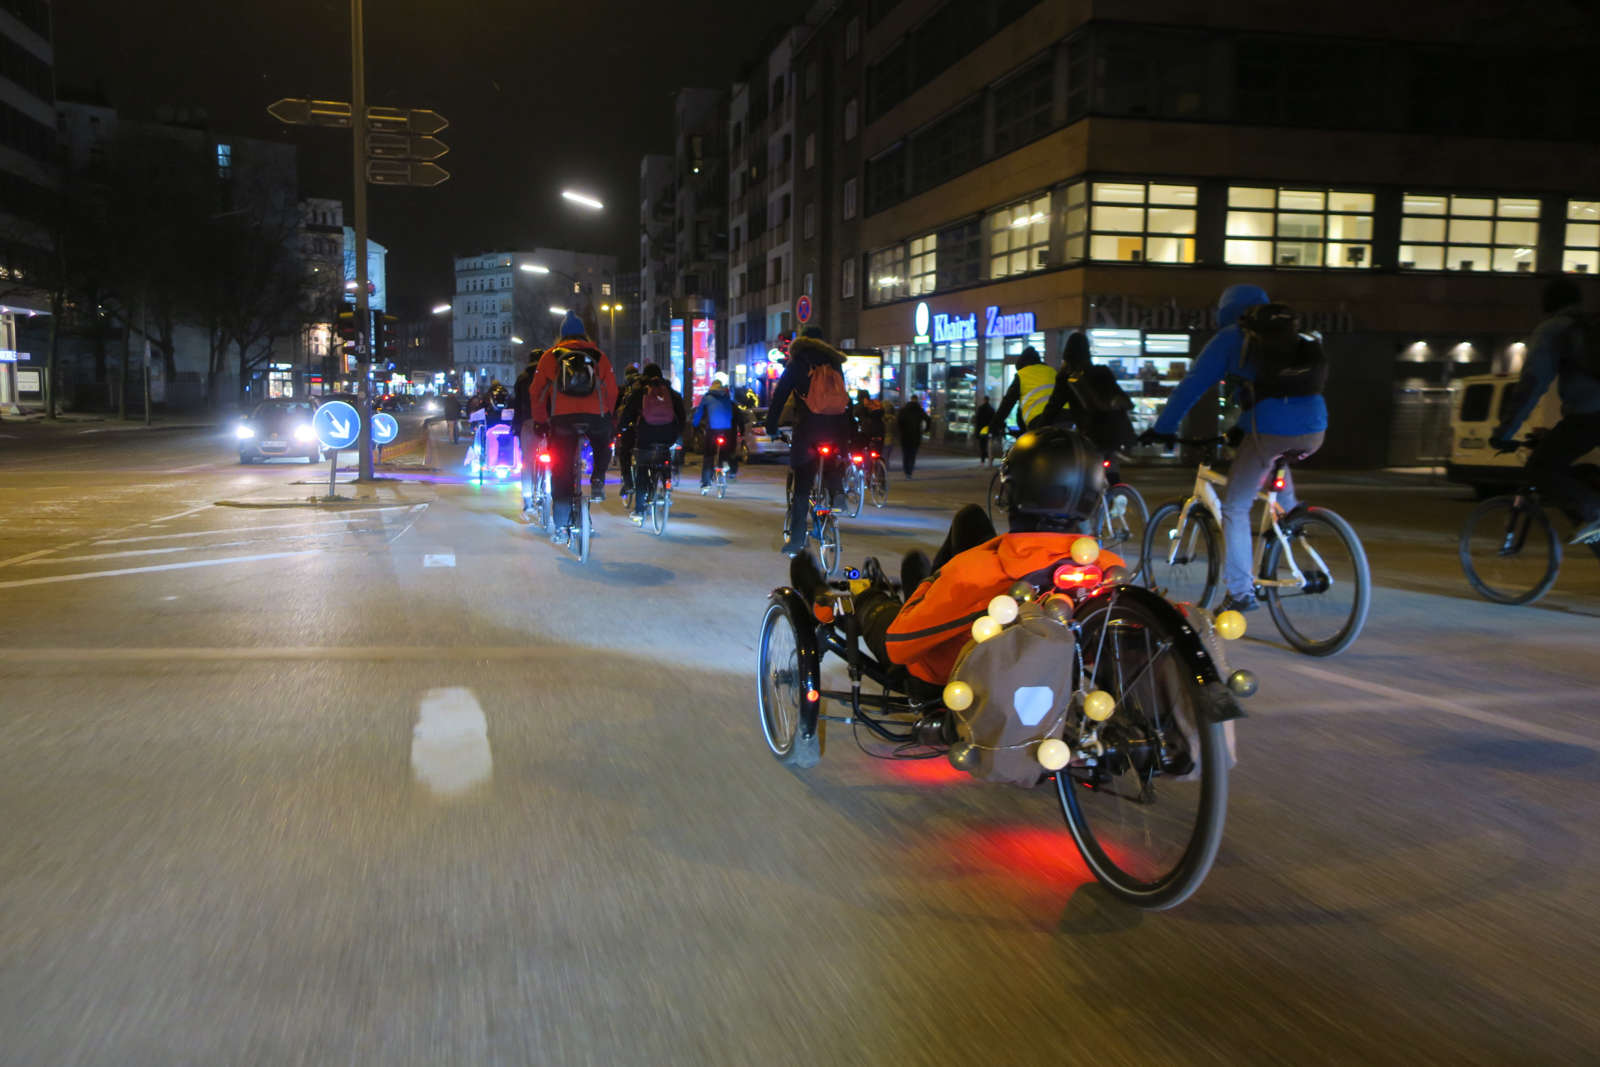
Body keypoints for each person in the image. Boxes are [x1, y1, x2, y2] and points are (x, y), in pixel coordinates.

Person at [790, 427, 1119, 689]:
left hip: (943, 679)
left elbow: (899, 646)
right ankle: (923, 584)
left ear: (1012, 492)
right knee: (970, 519)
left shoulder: (974, 572)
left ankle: (826, 592)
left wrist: (872, 598)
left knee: (867, 596)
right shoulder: (1107, 568)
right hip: (1048, 671)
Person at [1139, 284, 1328, 614]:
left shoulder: (1231, 337)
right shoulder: (1290, 336)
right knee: (1273, 463)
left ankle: (1240, 593)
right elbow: (1272, 389)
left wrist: (1163, 428)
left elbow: (1192, 386)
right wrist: (1239, 430)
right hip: (1315, 428)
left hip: (1271, 428)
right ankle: (1292, 517)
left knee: (1235, 508)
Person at [1491, 279, 1600, 546]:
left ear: (1548, 303)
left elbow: (1532, 384)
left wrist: (1505, 432)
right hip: (1589, 418)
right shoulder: (1591, 327)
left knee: (1541, 468)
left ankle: (1596, 515)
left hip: (1591, 415)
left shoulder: (1554, 330)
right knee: (1582, 476)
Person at [530, 311, 618, 541]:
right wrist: (606, 414)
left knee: (560, 468)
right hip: (594, 417)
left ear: (562, 335)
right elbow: (612, 390)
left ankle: (560, 526)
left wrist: (540, 421)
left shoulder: (550, 356)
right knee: (602, 444)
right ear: (583, 333)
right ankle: (598, 478)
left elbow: (536, 392)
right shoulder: (599, 355)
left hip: (563, 419)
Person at [767, 327, 855, 556]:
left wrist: (771, 426)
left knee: (802, 488)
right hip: (835, 428)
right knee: (832, 460)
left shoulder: (798, 363)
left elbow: (779, 397)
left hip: (808, 430)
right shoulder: (835, 363)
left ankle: (796, 540)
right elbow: (843, 398)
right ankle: (837, 493)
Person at [1040, 331, 1137, 481]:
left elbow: (1053, 407)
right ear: (1088, 351)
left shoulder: (1066, 377)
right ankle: (1118, 495)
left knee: (1085, 473)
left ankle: (1095, 500)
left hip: (1090, 433)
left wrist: (1038, 429)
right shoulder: (1103, 372)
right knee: (1111, 467)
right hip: (1113, 431)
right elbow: (1123, 398)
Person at [618, 364, 686, 524]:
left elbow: (626, 415)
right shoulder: (672, 393)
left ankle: (640, 510)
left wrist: (622, 426)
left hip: (646, 438)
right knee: (664, 459)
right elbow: (682, 417)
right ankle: (667, 484)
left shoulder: (640, 392)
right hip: (667, 437)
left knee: (642, 470)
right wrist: (676, 433)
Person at [989, 345, 1056, 437]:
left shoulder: (1022, 375)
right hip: (1067, 419)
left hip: (1040, 422)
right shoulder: (1052, 371)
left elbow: (1007, 403)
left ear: (1021, 364)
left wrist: (993, 426)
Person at [692, 374, 742, 493]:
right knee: (726, 449)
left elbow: (699, 413)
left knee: (709, 455)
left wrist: (695, 424)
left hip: (712, 429)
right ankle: (725, 464)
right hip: (727, 429)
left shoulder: (707, 397)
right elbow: (735, 412)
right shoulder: (727, 397)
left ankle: (705, 483)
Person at [512, 350, 545, 512]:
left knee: (527, 462)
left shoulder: (522, 379)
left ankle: (527, 500)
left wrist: (516, 428)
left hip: (528, 423)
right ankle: (548, 490)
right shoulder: (550, 376)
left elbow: (517, 405)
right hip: (548, 424)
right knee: (553, 458)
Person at [896, 394, 928, 478]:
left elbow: (899, 421)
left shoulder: (904, 410)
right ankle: (910, 471)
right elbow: (928, 419)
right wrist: (926, 430)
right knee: (913, 454)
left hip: (905, 435)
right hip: (916, 435)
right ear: (917, 400)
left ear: (910, 399)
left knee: (905, 454)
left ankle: (906, 470)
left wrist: (900, 430)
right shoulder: (919, 410)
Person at [974, 395, 996, 466]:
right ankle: (989, 458)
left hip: (982, 430)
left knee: (982, 445)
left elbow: (977, 421)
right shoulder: (991, 409)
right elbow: (993, 420)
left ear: (984, 400)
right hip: (988, 430)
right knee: (988, 444)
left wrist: (977, 431)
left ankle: (983, 460)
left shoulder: (981, 409)